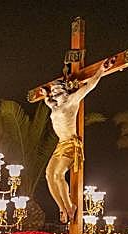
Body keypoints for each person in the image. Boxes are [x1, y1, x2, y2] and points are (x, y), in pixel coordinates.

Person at [42, 62, 106, 223]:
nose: (55, 94)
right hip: (60, 145)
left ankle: (70, 206)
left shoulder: (72, 101)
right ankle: (62, 208)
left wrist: (100, 71)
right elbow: (48, 101)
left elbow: (89, 86)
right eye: (54, 92)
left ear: (65, 90)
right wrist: (45, 95)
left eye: (57, 91)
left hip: (71, 143)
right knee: (49, 175)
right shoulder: (55, 106)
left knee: (58, 175)